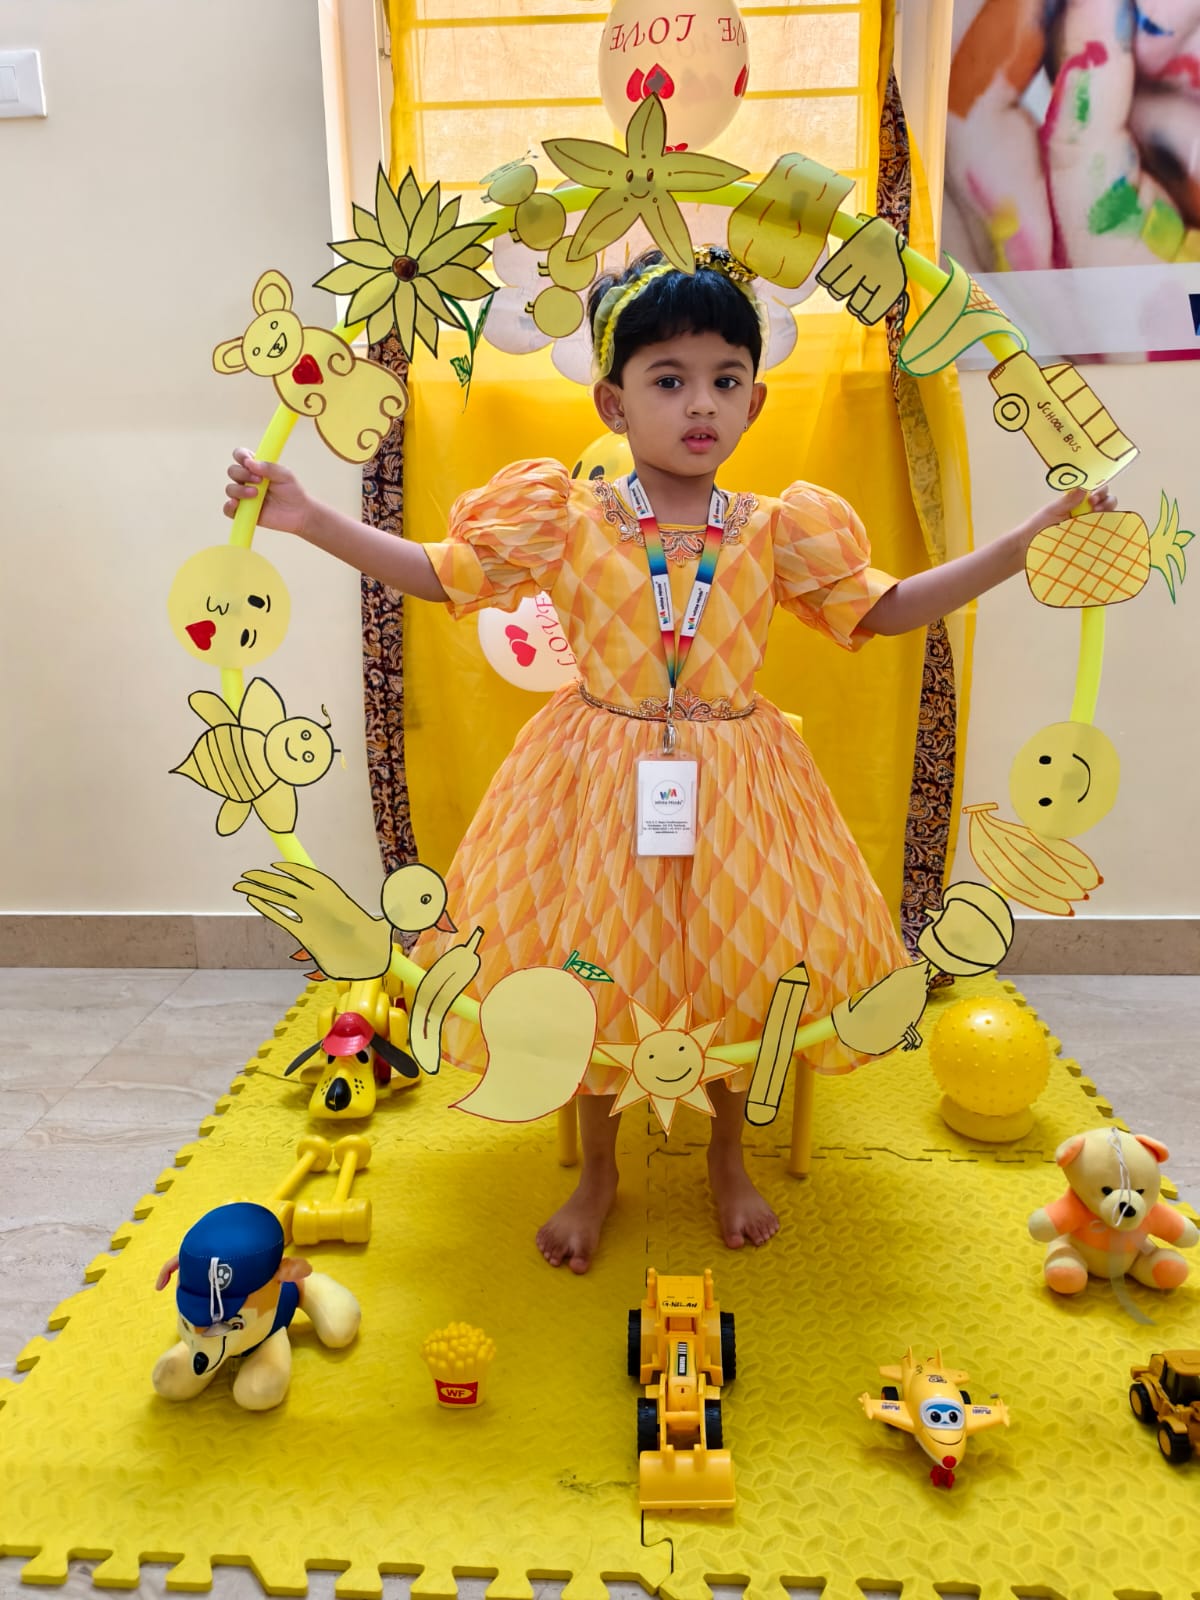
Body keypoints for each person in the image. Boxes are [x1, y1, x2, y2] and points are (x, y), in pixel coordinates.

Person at [223, 245, 1115, 1275]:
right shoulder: (565, 517)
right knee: (592, 973)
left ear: (755, 399)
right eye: (669, 379)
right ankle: (598, 1173)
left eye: (726, 380)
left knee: (736, 975)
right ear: (613, 401)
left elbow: (889, 607)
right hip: (593, 782)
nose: (701, 404)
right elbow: (442, 573)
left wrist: (1024, 543)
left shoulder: (777, 530)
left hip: (738, 788)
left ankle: (727, 1158)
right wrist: (308, 519)